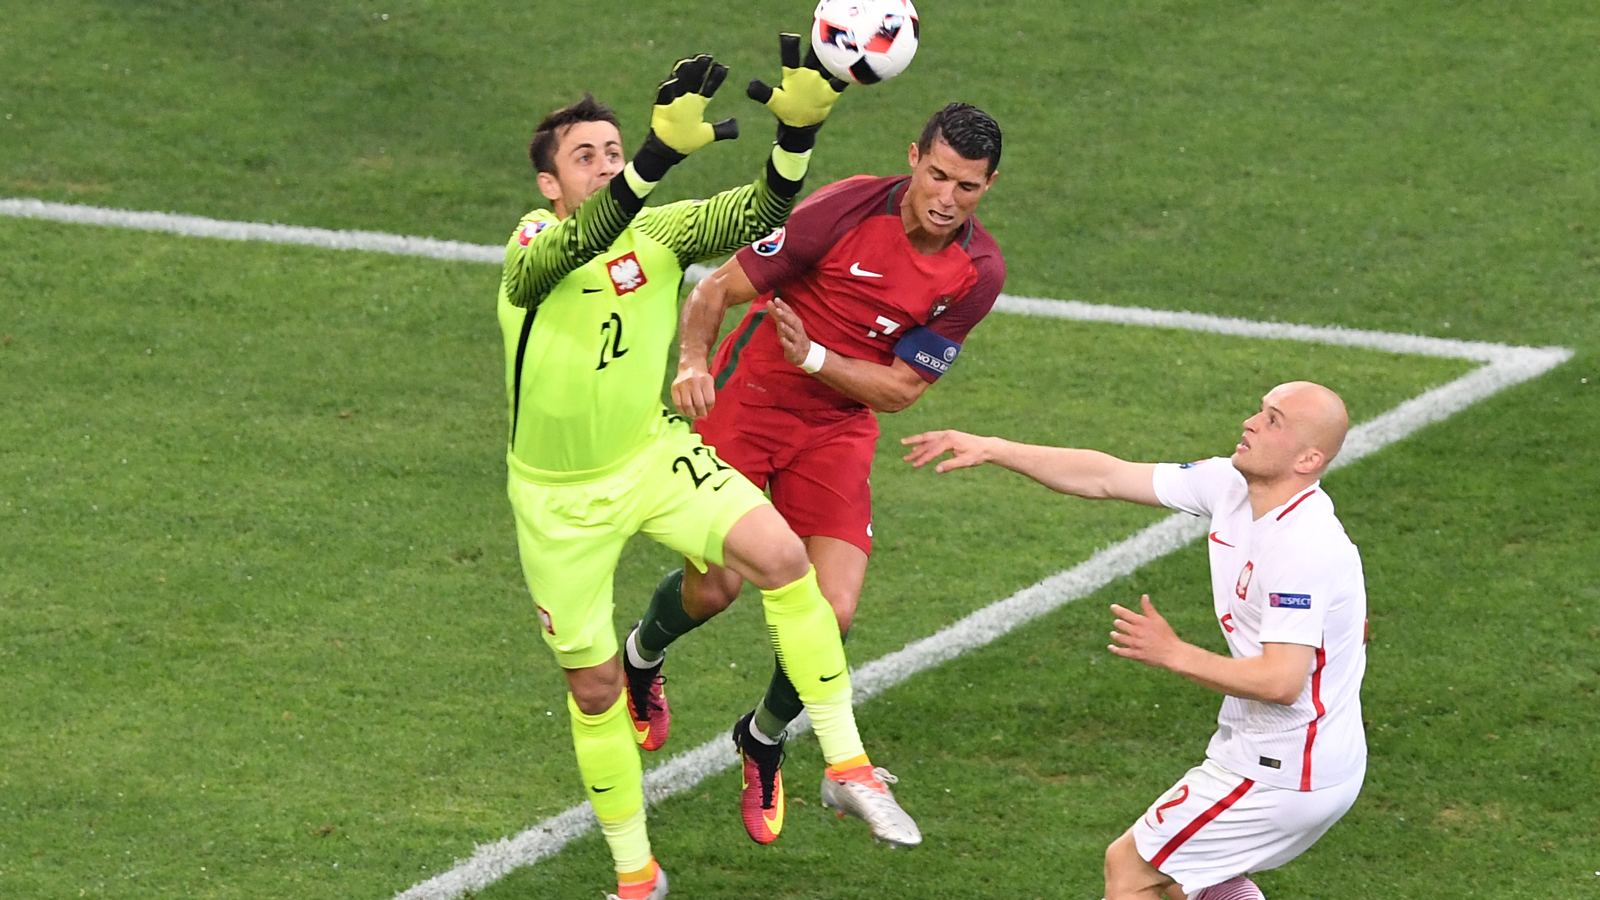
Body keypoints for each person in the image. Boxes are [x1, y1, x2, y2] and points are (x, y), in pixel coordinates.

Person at [497, 41, 901, 900]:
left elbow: (764, 212)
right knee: (596, 687)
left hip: (650, 454)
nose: (605, 166)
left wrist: (797, 134)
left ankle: (847, 763)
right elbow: (566, 256)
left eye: (614, 150)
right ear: (548, 184)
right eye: (587, 157)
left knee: (786, 560)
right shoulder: (533, 244)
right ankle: (637, 877)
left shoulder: (661, 231)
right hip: (558, 506)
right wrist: (648, 161)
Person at [618, 102, 1005, 846]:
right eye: (937, 175)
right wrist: (694, 362)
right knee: (719, 587)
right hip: (750, 398)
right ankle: (643, 653)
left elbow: (898, 391)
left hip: (837, 424)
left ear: (990, 186)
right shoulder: (842, 209)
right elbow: (714, 289)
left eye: (968, 187)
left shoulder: (977, 273)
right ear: (913, 156)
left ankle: (762, 738)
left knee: (834, 613)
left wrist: (817, 360)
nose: (946, 199)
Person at [901, 381, 1367, 900]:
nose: (1250, 423)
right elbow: (1105, 475)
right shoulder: (1230, 487)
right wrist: (995, 448)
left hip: (1287, 767)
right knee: (1190, 881)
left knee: (1131, 867)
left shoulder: (1303, 546)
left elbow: (1282, 681)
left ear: (1308, 459)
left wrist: (1173, 653)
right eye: (1260, 412)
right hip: (1278, 752)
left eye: (1273, 420)